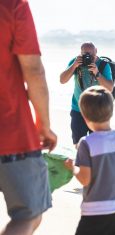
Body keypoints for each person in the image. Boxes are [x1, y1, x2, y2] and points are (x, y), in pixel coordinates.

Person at [0, 0, 57, 234]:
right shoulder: (12, 5)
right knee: (28, 214)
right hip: (11, 132)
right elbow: (33, 70)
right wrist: (44, 124)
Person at [65, 86, 115, 235]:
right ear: (112, 111)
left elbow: (84, 178)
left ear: (84, 116)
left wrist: (72, 167)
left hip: (95, 209)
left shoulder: (86, 143)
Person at [59, 42, 114, 146]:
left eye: (91, 54)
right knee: (79, 145)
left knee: (98, 146)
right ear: (81, 53)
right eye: (85, 54)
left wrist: (97, 73)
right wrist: (74, 65)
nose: (88, 57)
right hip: (78, 110)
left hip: (98, 112)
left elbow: (110, 88)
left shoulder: (103, 65)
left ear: (96, 51)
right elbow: (62, 80)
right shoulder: (76, 62)